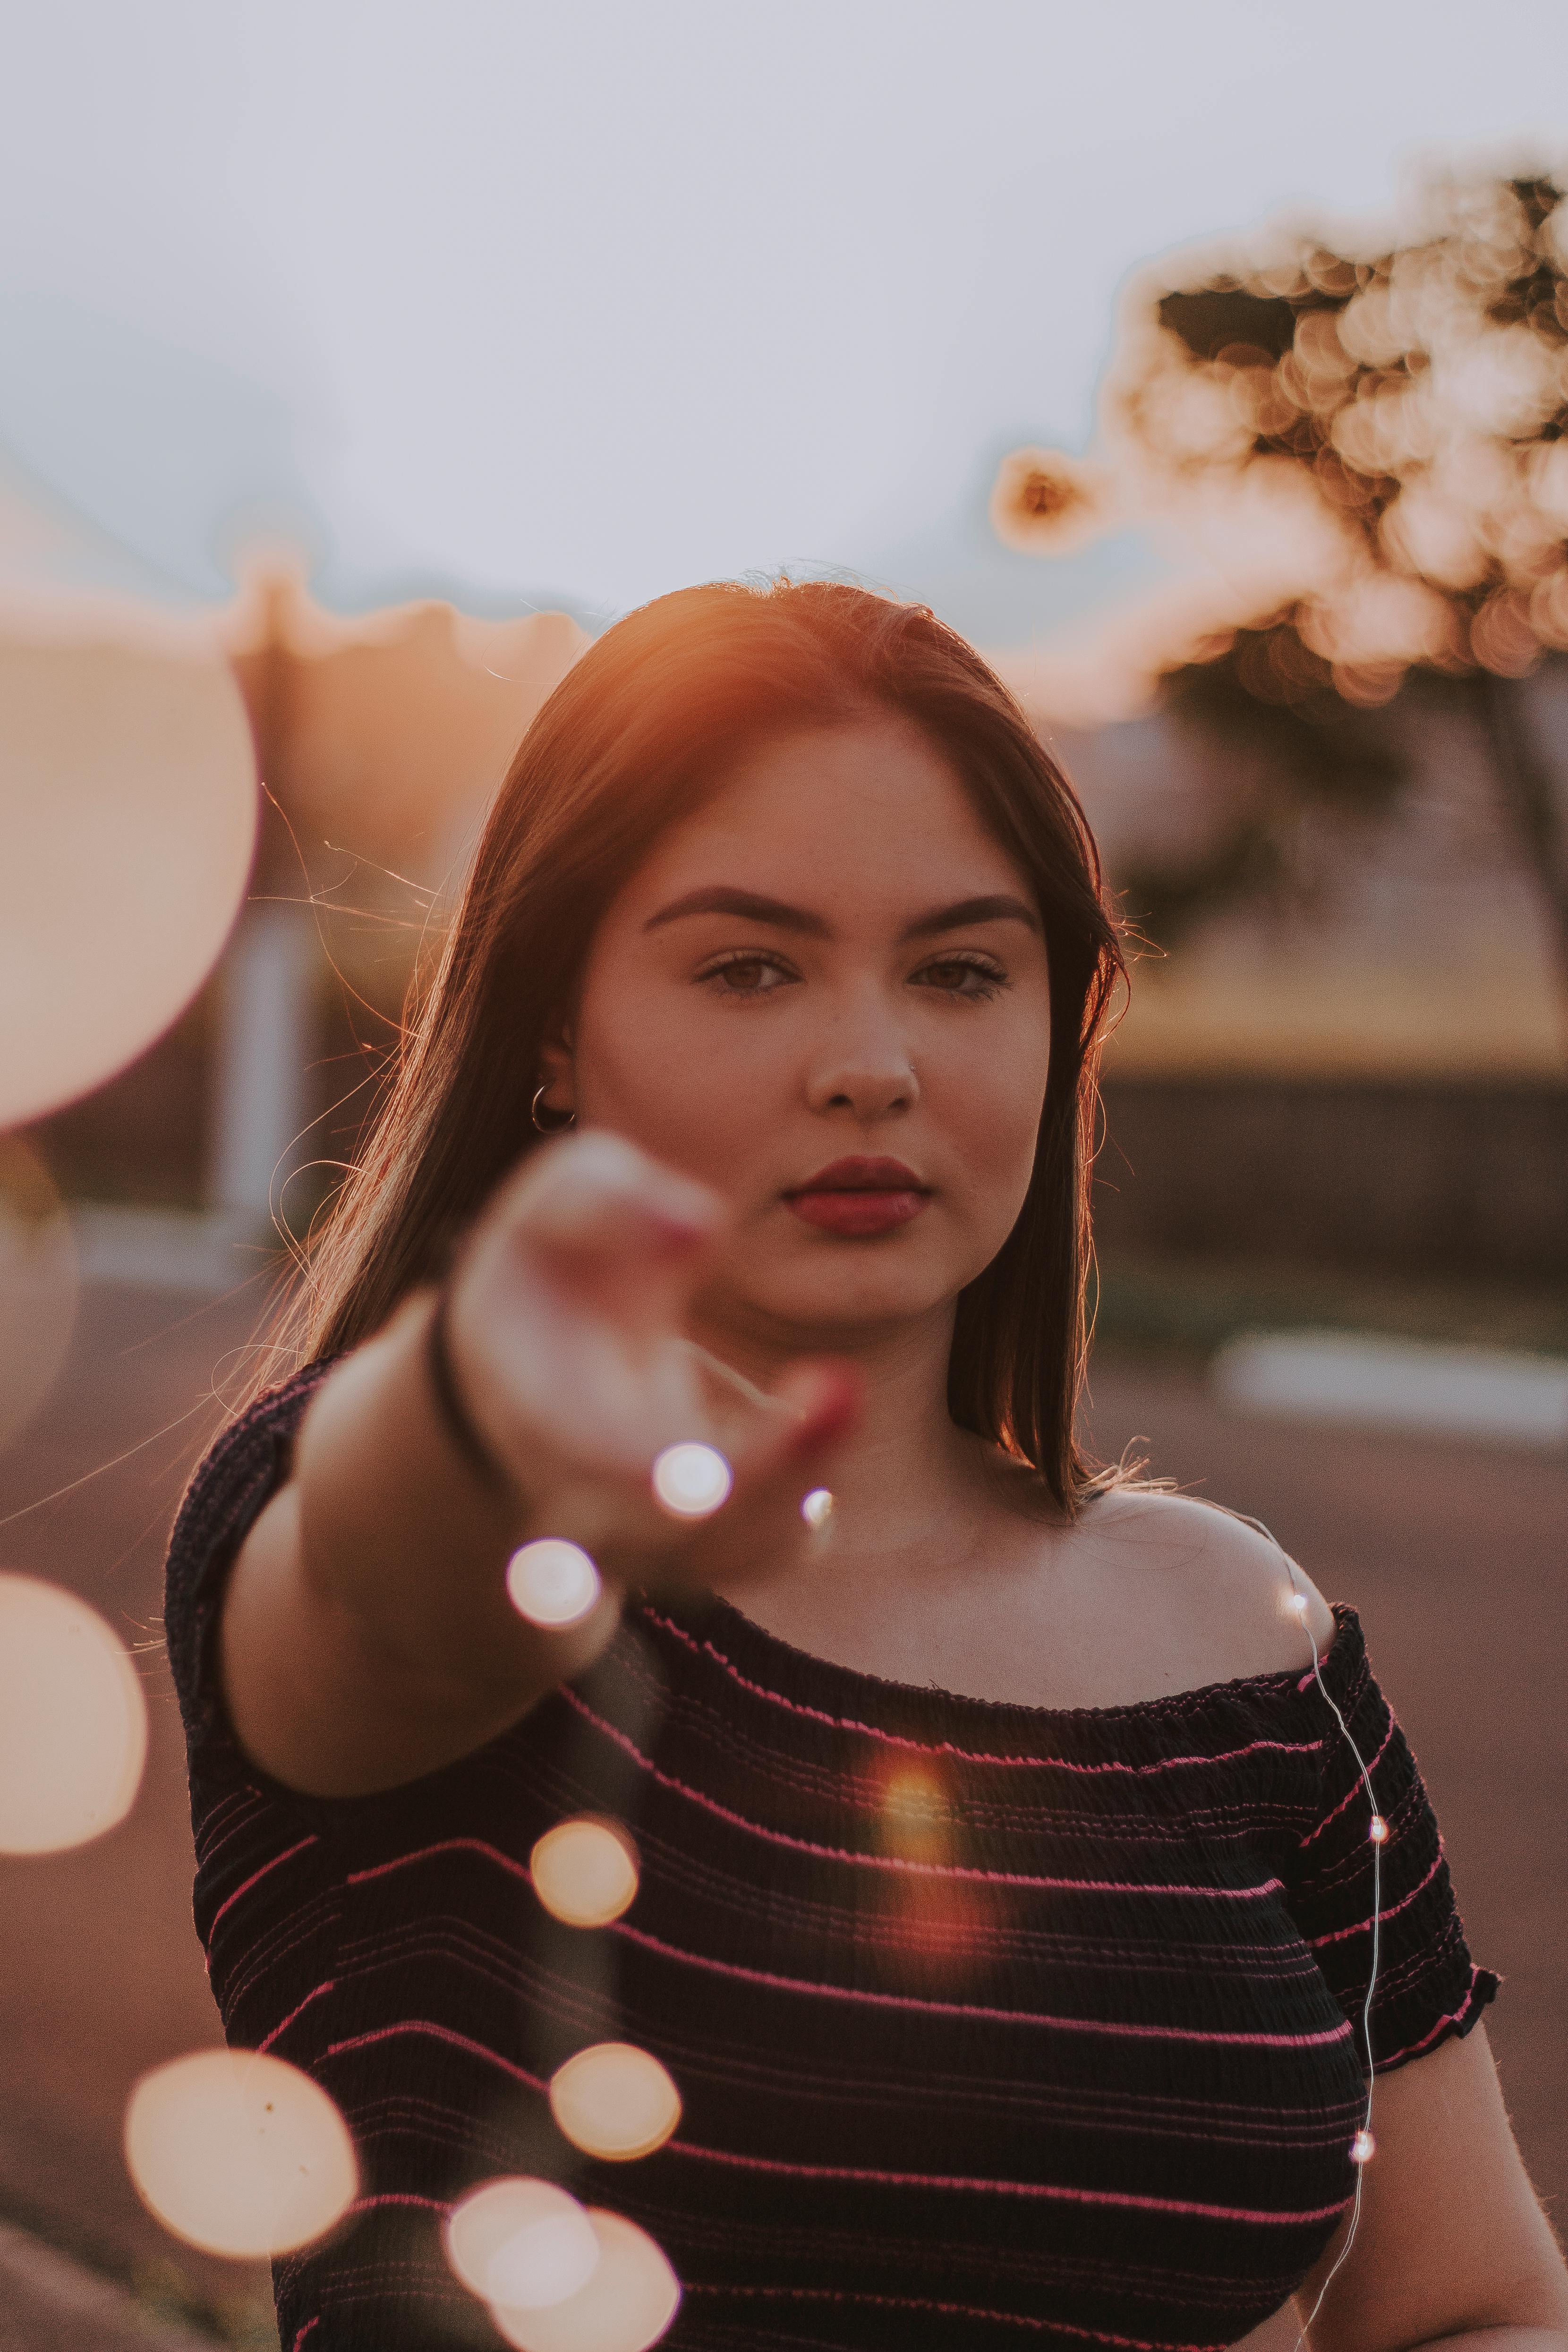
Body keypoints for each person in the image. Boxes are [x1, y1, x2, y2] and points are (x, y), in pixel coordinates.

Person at [166, 579, 1567, 2352]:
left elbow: (1475, 2305)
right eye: (749, 963)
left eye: (962, 969)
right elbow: (385, 1576)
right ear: (549, 1029)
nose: (872, 1064)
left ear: (1066, 1027)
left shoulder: (1255, 1660)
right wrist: (476, 1389)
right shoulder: (412, 1522)